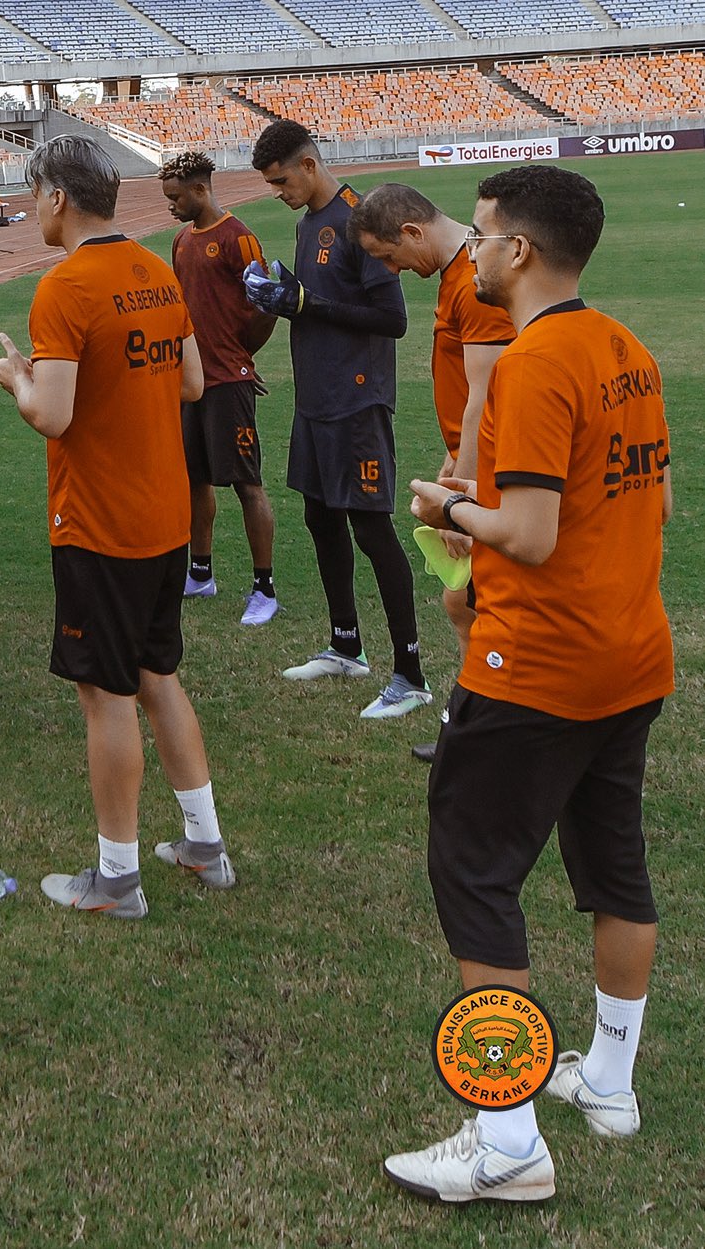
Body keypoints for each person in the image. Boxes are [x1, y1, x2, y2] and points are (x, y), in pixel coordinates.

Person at [386, 165, 672, 1205]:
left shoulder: (534, 361)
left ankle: (504, 1141)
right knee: (613, 868)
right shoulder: (625, 348)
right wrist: (487, 530)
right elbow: (649, 502)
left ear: (521, 253)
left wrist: (449, 513)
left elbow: (535, 535)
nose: (475, 248)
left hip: (540, 669)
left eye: (486, 233)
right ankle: (608, 1079)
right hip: (629, 655)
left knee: (475, 877)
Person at [0, 134, 234, 919]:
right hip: (164, 513)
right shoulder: (154, 267)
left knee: (106, 695)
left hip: (100, 521)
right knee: (159, 675)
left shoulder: (64, 287)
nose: (35, 210)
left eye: (36, 195)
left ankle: (117, 878)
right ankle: (204, 843)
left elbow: (53, 416)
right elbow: (193, 382)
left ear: (57, 198)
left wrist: (18, 382)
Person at [245, 122, 428, 722]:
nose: (277, 191)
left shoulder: (359, 220)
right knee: (321, 517)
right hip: (316, 400)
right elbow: (314, 302)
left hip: (357, 401)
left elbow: (392, 318)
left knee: (372, 529)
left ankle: (411, 674)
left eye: (280, 180)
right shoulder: (306, 224)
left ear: (308, 163)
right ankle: (346, 645)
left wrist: (307, 304)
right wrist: (283, 294)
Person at [350, 182, 515, 764]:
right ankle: (476, 728)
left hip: (500, 468)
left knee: (471, 603)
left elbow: (485, 395)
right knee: (468, 602)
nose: (388, 269)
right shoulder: (458, 275)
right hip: (478, 460)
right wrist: (454, 460)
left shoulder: (475, 284)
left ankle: (481, 731)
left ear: (413, 232)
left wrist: (457, 504)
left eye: (387, 255)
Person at [158, 151, 280, 627]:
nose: (170, 206)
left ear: (200, 191)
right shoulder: (181, 239)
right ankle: (201, 572)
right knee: (194, 480)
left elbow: (265, 307)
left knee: (247, 485)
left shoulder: (239, 238)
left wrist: (240, 359)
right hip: (190, 383)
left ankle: (264, 588)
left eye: (175, 198)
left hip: (229, 382)